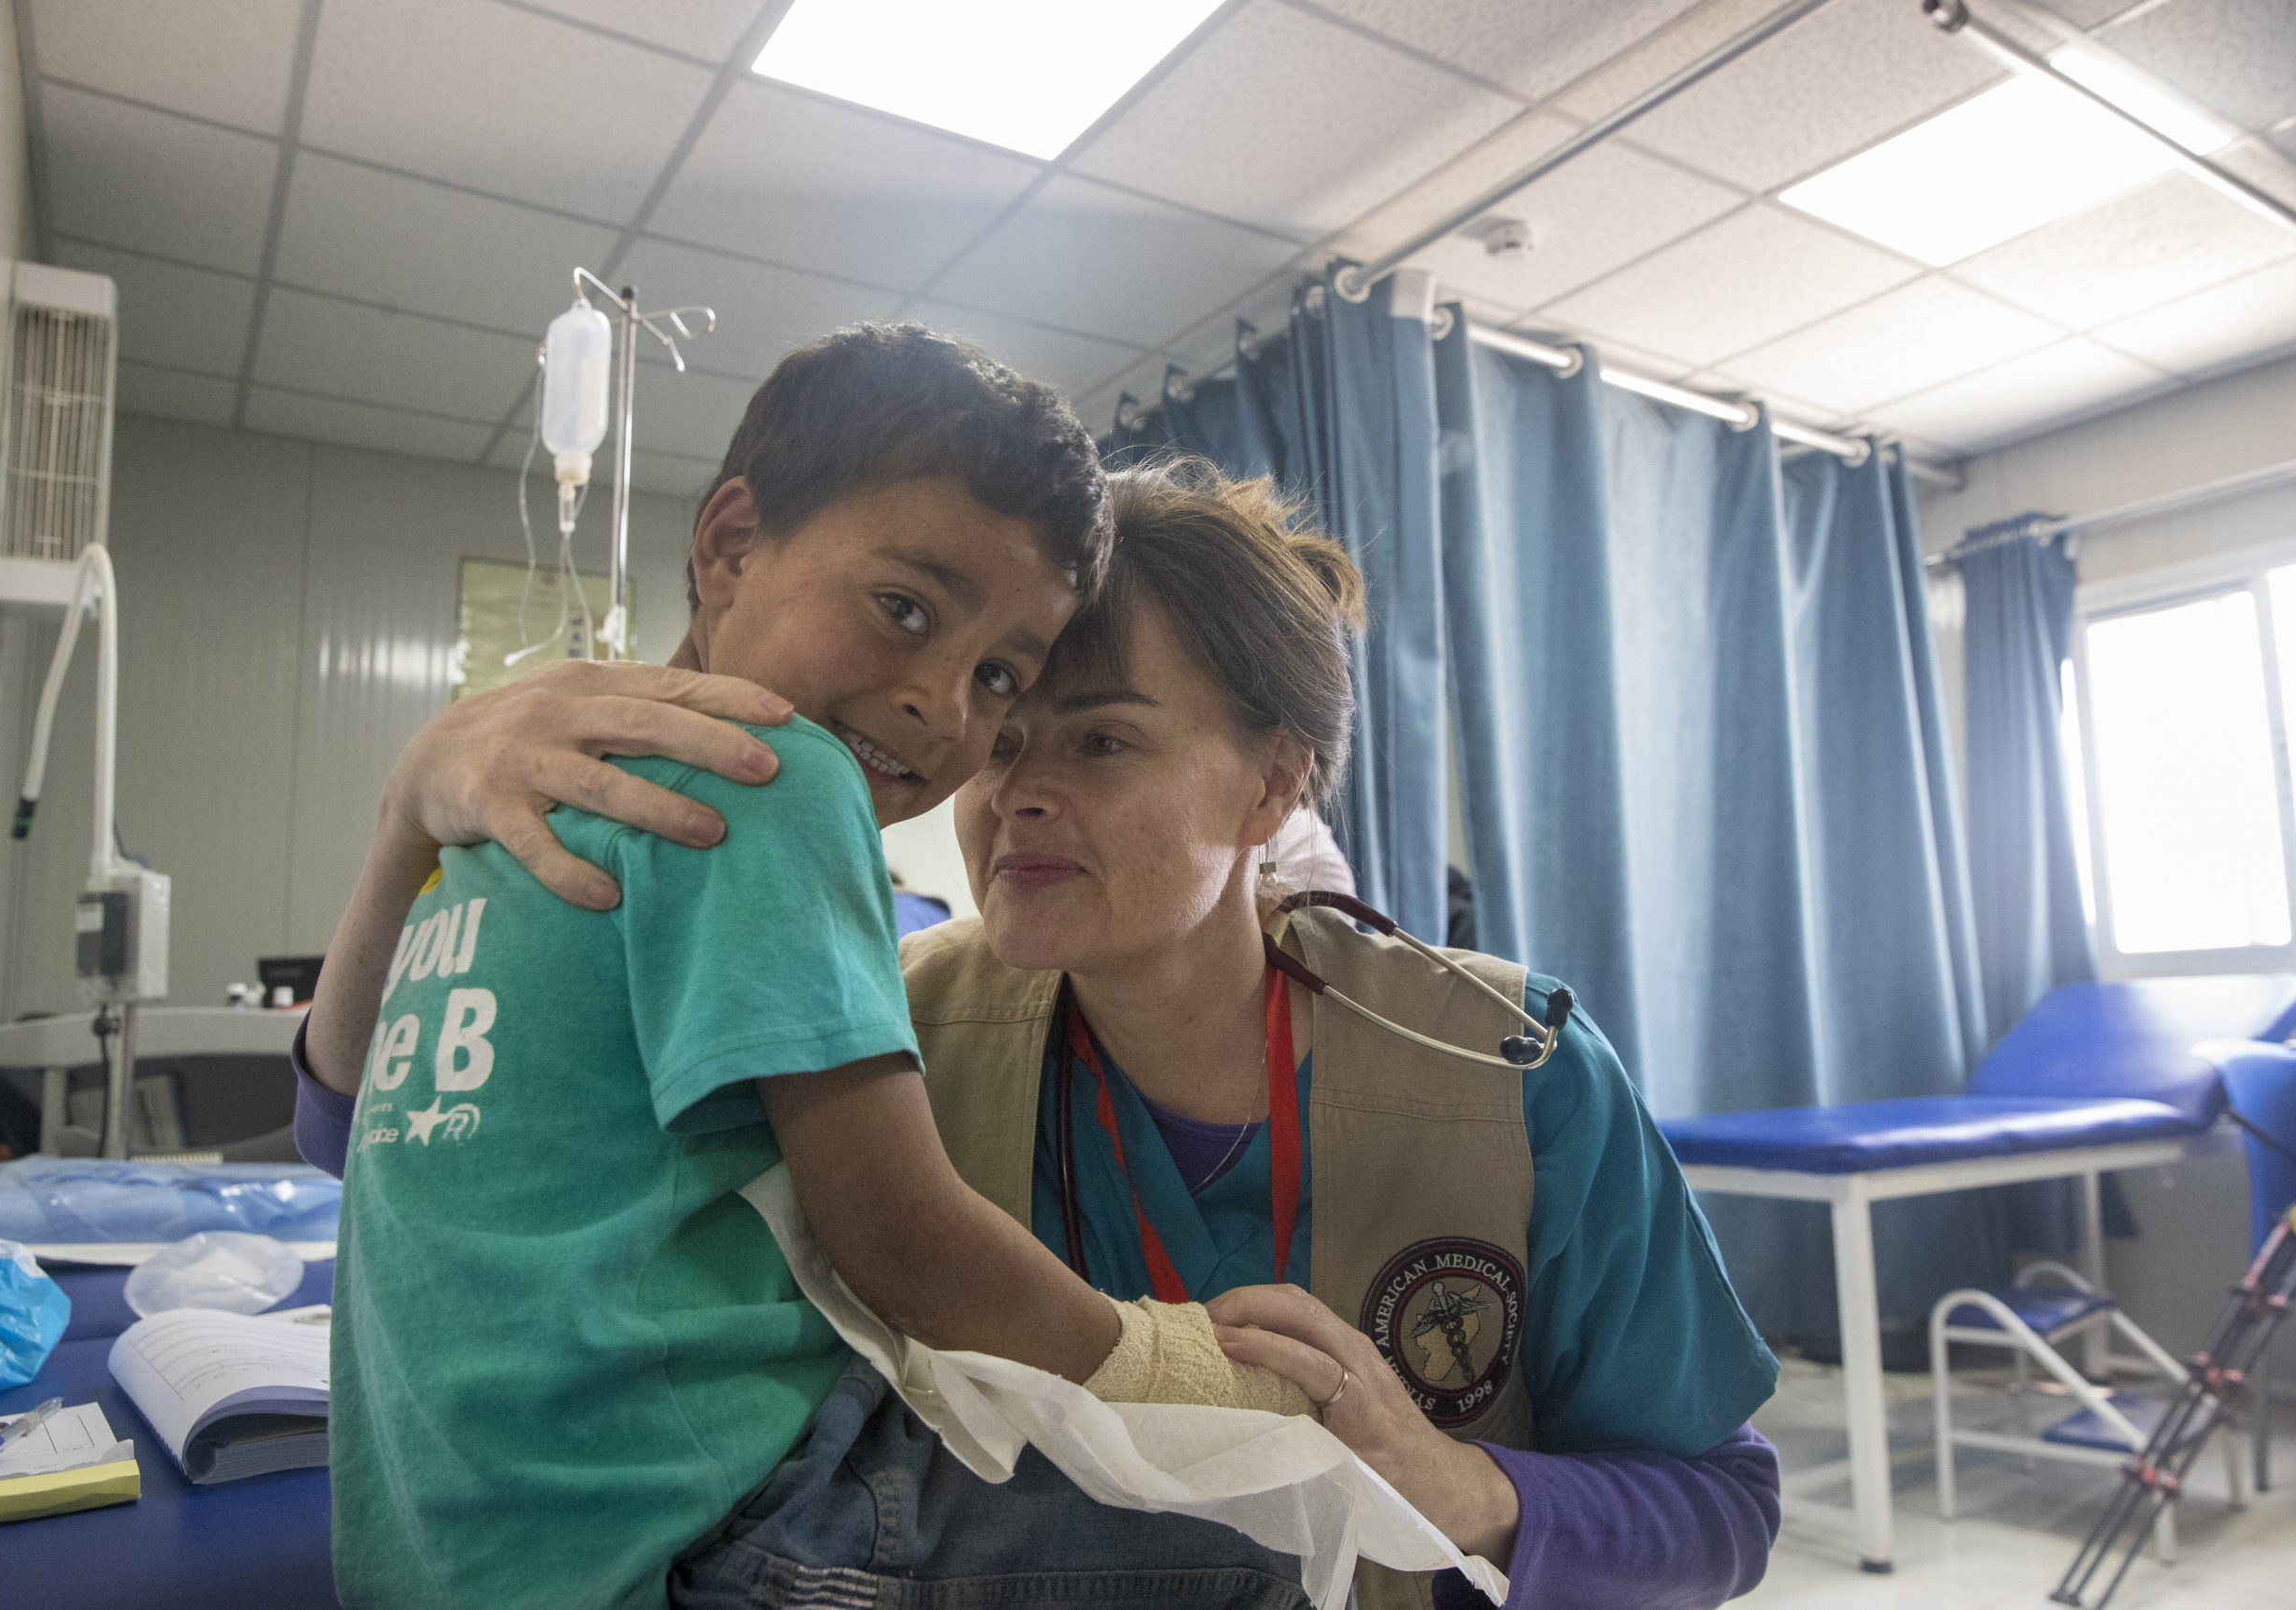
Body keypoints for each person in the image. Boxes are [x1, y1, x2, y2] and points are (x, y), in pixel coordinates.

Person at [302, 459, 1784, 1610]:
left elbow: (1727, 1505)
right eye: (1004, 732)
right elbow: (360, 1132)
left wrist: (1475, 1494)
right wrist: (407, 819)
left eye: (1103, 740)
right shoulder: (894, 1024)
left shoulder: (1507, 1071)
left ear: (1273, 787)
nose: (1015, 790)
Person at [306, 332, 1311, 1610]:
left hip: (437, 1539)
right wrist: (1185, 1369)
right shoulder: (775, 774)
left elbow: (345, 1116)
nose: (948, 706)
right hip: (693, 1525)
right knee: (1264, 1561)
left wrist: (408, 807)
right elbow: (898, 1235)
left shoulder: (507, 795)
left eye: (1000, 677)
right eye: (905, 608)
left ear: (1278, 791)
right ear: (730, 547)